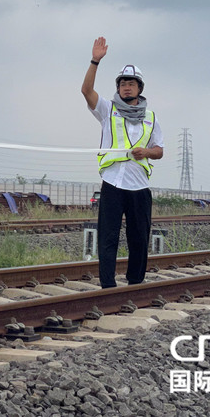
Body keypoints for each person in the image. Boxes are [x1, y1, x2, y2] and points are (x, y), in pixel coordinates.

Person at [81, 36, 163, 288]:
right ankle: (108, 286)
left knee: (139, 237)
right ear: (118, 88)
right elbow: (86, 91)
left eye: (132, 83)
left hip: (139, 187)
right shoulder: (108, 110)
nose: (127, 87)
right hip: (113, 184)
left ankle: (135, 283)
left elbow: (159, 150)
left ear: (140, 88)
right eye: (123, 83)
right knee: (108, 237)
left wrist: (146, 153)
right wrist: (95, 60)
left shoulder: (150, 117)